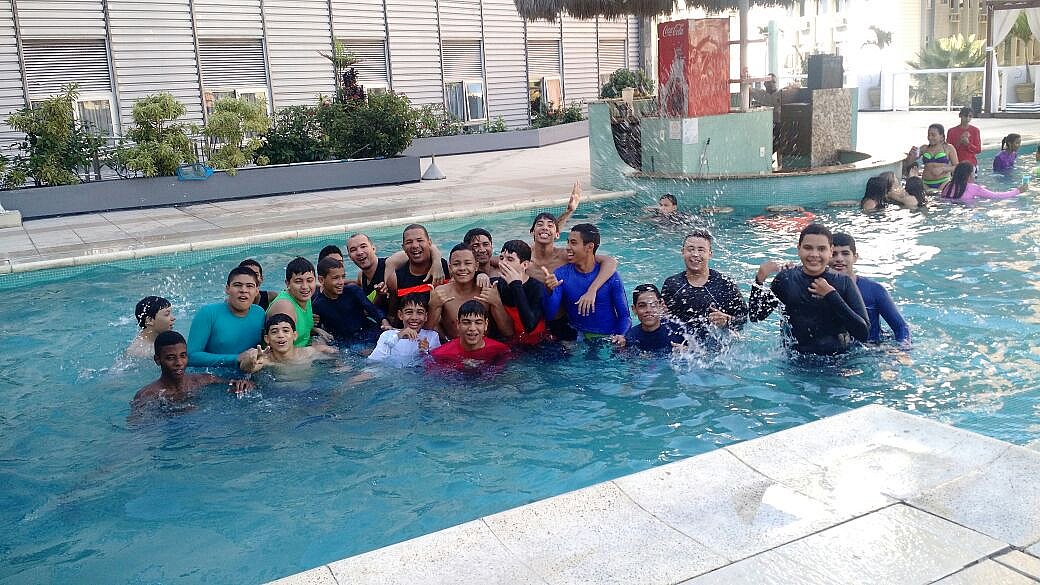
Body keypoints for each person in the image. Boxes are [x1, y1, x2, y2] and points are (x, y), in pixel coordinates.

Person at [748, 223, 869, 355]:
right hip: (794, 360)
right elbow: (756, 316)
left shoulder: (843, 282)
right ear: (799, 249)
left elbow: (863, 333)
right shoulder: (785, 280)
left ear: (830, 251)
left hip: (837, 361)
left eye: (821, 249)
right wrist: (759, 280)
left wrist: (831, 295)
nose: (814, 254)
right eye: (808, 248)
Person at [543, 223, 631, 341]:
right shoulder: (561, 274)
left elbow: (625, 317)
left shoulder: (611, 277)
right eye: (568, 242)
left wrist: (621, 336)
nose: (567, 247)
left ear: (589, 247)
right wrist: (549, 291)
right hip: (578, 338)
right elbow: (550, 314)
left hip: (608, 338)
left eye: (573, 243)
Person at [660, 230, 748, 340]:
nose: (695, 254)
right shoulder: (672, 284)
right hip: (681, 345)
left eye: (701, 250)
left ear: (710, 254)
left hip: (717, 346)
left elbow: (743, 319)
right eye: (690, 249)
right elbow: (663, 321)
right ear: (682, 252)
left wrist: (727, 320)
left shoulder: (725, 284)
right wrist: (661, 315)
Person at [133, 331, 254, 410]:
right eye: (171, 358)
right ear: (157, 360)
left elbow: (237, 385)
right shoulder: (147, 395)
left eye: (183, 356)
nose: (179, 363)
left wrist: (243, 385)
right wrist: (173, 413)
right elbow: (138, 427)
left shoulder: (204, 380)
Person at [829, 233, 911, 346]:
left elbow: (901, 327)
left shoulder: (875, 290)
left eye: (845, 253)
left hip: (873, 349)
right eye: (833, 254)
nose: (839, 259)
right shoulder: (818, 288)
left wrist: (902, 349)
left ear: (855, 257)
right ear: (826, 256)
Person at [187, 266, 266, 369]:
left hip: (248, 375)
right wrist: (236, 358)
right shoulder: (208, 313)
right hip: (211, 376)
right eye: (237, 285)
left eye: (249, 286)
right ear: (227, 289)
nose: (243, 290)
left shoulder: (259, 314)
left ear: (256, 291)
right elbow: (191, 356)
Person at [429, 244, 513, 340]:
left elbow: (508, 332)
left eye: (468, 263)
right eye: (456, 264)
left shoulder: (487, 290)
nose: (462, 268)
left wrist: (497, 303)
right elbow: (427, 332)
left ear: (476, 266)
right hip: (454, 346)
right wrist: (432, 306)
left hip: (486, 346)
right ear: (450, 268)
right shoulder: (441, 293)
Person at [311, 256, 390, 344]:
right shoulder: (317, 305)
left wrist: (384, 321)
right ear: (321, 280)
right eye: (335, 278)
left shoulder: (353, 291)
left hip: (368, 332)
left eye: (343, 277)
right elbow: (317, 329)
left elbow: (372, 309)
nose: (341, 282)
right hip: (345, 342)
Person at [386, 224, 450, 320]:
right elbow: (393, 314)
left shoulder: (446, 268)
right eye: (409, 242)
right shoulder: (395, 279)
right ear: (403, 247)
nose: (415, 245)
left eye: (420, 240)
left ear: (429, 242)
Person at [491, 239, 548, 345]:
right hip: (511, 340)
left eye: (510, 259)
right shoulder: (500, 283)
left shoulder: (537, 288)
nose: (503, 263)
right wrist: (480, 275)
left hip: (537, 344)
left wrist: (516, 285)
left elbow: (530, 326)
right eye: (501, 258)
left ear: (525, 265)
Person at [429, 300, 511, 371]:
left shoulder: (500, 350)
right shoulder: (439, 355)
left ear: (486, 324)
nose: (472, 328)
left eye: (478, 323)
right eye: (466, 322)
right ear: (458, 324)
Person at [267, 257, 331, 347]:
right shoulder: (285, 306)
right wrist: (316, 350)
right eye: (298, 281)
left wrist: (315, 330)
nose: (305, 286)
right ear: (287, 283)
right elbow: (281, 350)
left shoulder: (305, 296)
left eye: (309, 280)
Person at [241, 314, 337, 373]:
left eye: (286, 331)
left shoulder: (309, 353)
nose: (281, 335)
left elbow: (333, 353)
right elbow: (247, 369)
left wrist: (340, 365)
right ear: (267, 339)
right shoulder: (266, 360)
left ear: (295, 335)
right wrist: (251, 360)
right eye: (274, 332)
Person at [367, 293, 441, 367]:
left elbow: (436, 365)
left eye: (420, 312)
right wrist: (398, 336)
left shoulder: (432, 336)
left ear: (426, 316)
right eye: (409, 312)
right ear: (400, 315)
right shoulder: (387, 335)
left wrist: (424, 352)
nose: (414, 317)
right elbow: (373, 362)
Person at [611, 284, 686, 352]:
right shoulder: (630, 338)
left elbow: (693, 352)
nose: (648, 310)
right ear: (634, 309)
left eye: (653, 305)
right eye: (642, 306)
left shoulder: (680, 331)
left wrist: (687, 351)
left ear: (661, 306)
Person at [940, 161, 1028, 203]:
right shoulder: (974, 188)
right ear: (969, 175)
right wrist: (1018, 191)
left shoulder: (947, 185)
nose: (975, 175)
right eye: (974, 173)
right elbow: (996, 196)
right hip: (967, 212)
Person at [909, 123, 958, 191]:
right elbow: (909, 162)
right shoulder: (924, 148)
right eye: (928, 135)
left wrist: (943, 169)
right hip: (925, 183)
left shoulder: (948, 148)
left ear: (941, 136)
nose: (930, 137)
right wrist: (911, 155)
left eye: (933, 135)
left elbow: (957, 167)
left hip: (943, 182)